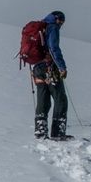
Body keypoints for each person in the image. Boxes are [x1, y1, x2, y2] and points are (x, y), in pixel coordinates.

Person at [32, 10, 69, 139]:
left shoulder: (41, 27)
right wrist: (62, 67)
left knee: (43, 100)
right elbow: (53, 48)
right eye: (61, 21)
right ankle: (58, 133)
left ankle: (40, 131)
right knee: (61, 99)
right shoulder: (53, 27)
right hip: (49, 68)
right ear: (57, 19)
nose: (61, 25)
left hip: (37, 68)